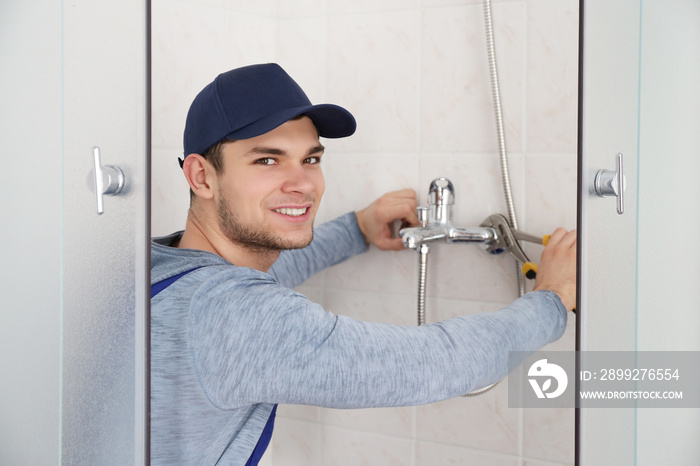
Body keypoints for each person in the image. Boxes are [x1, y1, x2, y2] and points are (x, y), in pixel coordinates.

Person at [150, 63, 577, 465]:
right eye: (267, 159)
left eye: (311, 159)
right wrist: (551, 301)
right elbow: (429, 364)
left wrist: (357, 229)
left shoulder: (160, 269)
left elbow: (256, 281)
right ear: (202, 177)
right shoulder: (235, 315)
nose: (302, 184)